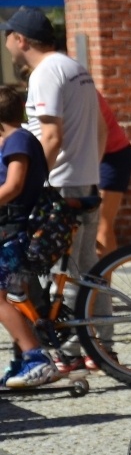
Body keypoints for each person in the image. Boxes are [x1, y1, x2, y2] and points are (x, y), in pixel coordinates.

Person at [3, 7, 104, 343]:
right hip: (84, 178)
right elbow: (101, 128)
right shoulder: (75, 68)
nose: (6, 44)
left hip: (59, 184)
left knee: (63, 272)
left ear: (20, 39)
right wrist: (88, 166)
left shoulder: (45, 73)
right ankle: (102, 346)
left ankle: (72, 350)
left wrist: (31, 185)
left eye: (7, 37)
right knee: (89, 271)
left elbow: (51, 136)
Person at [0, 83, 57, 388]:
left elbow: (13, 186)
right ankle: (24, 358)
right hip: (13, 229)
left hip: (14, 232)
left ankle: (37, 358)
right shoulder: (17, 139)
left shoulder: (18, 141)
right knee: (15, 298)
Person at [95, 92, 131, 256]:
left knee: (102, 223)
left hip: (113, 156)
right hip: (95, 157)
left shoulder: (81, 87)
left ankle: (106, 272)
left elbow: (101, 130)